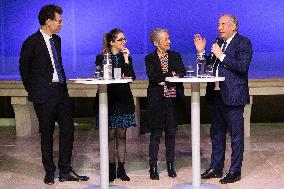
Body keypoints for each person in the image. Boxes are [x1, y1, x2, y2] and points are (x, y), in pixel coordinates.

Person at [19, 4, 89, 185]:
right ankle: (49, 171)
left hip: (61, 92)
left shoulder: (56, 40)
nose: (61, 24)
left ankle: (65, 170)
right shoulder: (31, 42)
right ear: (48, 22)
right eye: (59, 21)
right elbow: (24, 71)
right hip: (43, 95)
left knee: (68, 129)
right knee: (47, 134)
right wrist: (35, 91)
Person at [194, 14, 253, 184]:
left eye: (224, 24)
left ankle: (235, 171)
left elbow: (242, 67)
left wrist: (222, 56)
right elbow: (209, 68)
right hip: (216, 96)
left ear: (234, 26)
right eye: (219, 24)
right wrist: (201, 53)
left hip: (233, 96)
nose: (220, 27)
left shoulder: (243, 42)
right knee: (216, 134)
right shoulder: (218, 43)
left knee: (236, 136)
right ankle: (216, 168)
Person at [94, 28, 136, 182]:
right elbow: (100, 76)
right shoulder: (101, 57)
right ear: (112, 42)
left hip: (123, 99)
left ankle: (121, 168)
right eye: (120, 40)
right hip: (109, 100)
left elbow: (131, 77)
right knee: (110, 134)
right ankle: (111, 168)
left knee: (122, 135)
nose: (123, 42)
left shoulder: (127, 57)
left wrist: (126, 59)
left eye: (124, 39)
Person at [145, 28, 186, 180]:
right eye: (165, 39)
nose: (169, 41)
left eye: (169, 38)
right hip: (156, 101)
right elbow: (153, 77)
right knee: (155, 134)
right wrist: (170, 75)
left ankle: (170, 165)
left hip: (172, 100)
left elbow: (181, 72)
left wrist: (165, 78)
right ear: (156, 43)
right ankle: (153, 166)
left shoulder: (175, 56)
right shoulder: (149, 58)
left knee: (171, 133)